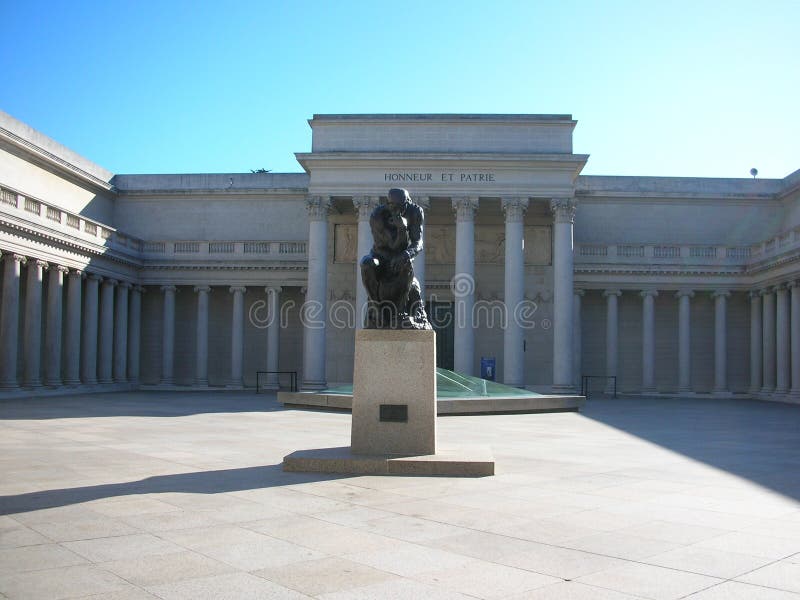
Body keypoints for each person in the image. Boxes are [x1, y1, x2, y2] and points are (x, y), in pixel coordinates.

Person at [360, 188, 431, 329]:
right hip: (381, 258)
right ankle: (376, 307)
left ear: (408, 203)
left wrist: (407, 254)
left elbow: (418, 242)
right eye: (393, 207)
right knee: (366, 264)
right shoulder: (377, 215)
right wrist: (402, 229)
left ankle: (399, 313)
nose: (397, 210)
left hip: (401, 258)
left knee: (406, 263)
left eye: (401, 207)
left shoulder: (415, 212)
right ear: (387, 204)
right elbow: (392, 245)